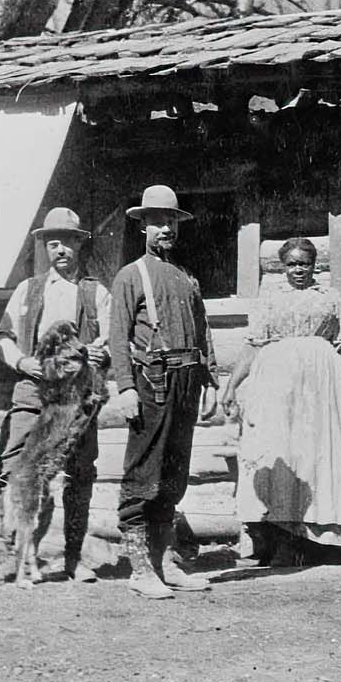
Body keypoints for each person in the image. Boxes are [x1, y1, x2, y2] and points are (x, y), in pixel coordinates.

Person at [219, 237, 341, 565]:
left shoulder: (330, 298)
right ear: (282, 267)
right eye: (292, 264)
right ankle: (281, 540)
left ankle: (325, 543)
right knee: (282, 454)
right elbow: (253, 346)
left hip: (322, 388)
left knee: (318, 455)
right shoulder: (270, 301)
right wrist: (231, 386)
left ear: (314, 265)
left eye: (304, 264)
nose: (298, 270)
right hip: (276, 387)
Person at [0, 207, 111, 586]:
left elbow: (111, 342)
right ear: (45, 248)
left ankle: (73, 558)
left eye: (67, 242)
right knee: (14, 469)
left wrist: (99, 353)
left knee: (79, 472)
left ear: (79, 245)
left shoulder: (94, 293)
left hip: (75, 397)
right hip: (33, 390)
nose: (61, 250)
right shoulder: (28, 289)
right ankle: (11, 558)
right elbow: (1, 337)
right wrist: (23, 362)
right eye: (53, 243)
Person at [110, 184, 219, 599]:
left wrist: (208, 377)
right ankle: (139, 569)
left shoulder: (186, 276)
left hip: (187, 379)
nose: (165, 229)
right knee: (144, 473)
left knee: (173, 476)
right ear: (143, 227)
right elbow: (118, 336)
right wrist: (124, 388)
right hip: (151, 382)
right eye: (156, 222)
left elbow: (202, 328)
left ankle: (164, 561)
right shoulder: (130, 275)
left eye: (170, 221)